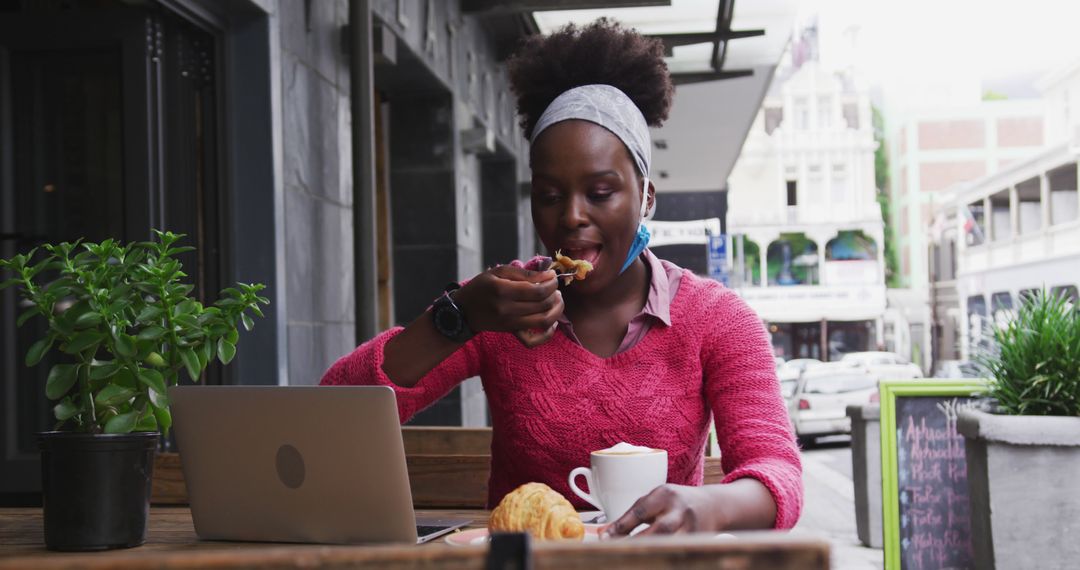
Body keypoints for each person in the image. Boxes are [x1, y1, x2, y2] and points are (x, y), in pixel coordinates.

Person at [321, 19, 802, 536]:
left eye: (599, 192)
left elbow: (778, 472)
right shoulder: (502, 304)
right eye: (549, 196)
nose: (571, 216)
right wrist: (459, 318)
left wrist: (711, 505)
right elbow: (332, 418)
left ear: (646, 198)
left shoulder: (716, 320)